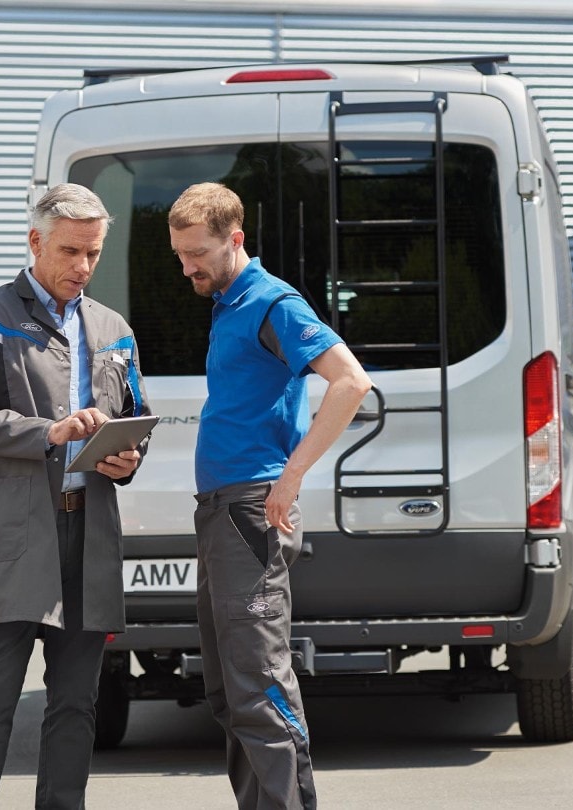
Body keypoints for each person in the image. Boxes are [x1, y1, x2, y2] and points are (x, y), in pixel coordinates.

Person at [0, 183, 149, 810]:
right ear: (35, 242)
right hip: (18, 536)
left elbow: (136, 415)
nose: (83, 267)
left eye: (93, 253)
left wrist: (127, 460)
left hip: (90, 536)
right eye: (70, 252)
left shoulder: (115, 328)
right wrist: (49, 432)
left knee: (75, 706)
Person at [168, 182, 373, 810]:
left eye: (197, 253)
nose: (187, 268)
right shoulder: (229, 300)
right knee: (229, 693)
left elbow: (349, 382)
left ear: (236, 240)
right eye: (179, 255)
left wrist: (292, 475)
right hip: (221, 512)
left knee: (258, 685)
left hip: (251, 511)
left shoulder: (271, 300)